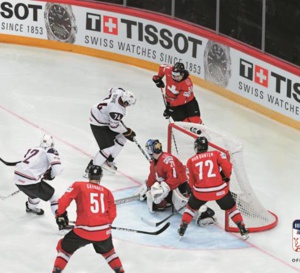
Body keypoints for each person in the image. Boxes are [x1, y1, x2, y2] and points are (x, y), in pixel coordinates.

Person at [52, 165, 124, 273]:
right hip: (103, 232)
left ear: (89, 175)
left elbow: (63, 201)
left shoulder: (79, 185)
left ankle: (57, 270)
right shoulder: (107, 192)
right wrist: (103, 224)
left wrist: (59, 215)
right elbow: (112, 214)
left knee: (63, 248)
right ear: (100, 177)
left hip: (83, 231)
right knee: (110, 254)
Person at [178, 136, 249, 240]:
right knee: (231, 209)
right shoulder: (216, 154)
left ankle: (182, 228)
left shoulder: (191, 161)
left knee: (191, 208)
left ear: (196, 147)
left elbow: (191, 181)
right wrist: (225, 177)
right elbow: (227, 167)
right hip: (219, 190)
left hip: (201, 192)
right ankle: (242, 228)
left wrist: (195, 190)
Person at [137, 139, 215, 226]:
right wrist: (148, 187)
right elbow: (153, 177)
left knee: (179, 204)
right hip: (173, 185)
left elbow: (175, 178)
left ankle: (204, 213)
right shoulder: (153, 163)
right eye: (156, 146)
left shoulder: (167, 160)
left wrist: (164, 188)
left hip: (183, 183)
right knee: (153, 199)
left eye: (158, 145)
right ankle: (169, 202)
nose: (158, 148)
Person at [14, 134, 65, 228]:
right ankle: (62, 223)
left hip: (17, 178)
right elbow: (57, 170)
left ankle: (30, 208)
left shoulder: (32, 149)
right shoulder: (50, 150)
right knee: (54, 197)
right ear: (52, 144)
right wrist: (51, 174)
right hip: (30, 180)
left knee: (35, 195)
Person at [85, 87, 137, 174]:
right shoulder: (118, 111)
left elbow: (111, 89)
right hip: (98, 122)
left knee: (122, 138)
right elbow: (113, 127)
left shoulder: (119, 92)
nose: (128, 106)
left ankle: (108, 161)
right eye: (128, 104)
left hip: (101, 114)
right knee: (108, 148)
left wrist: (108, 105)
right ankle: (91, 169)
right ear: (125, 102)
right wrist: (126, 131)